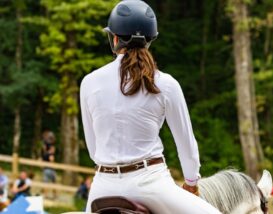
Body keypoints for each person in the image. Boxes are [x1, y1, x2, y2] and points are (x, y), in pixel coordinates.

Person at [80, 1, 220, 213]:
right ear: (149, 41)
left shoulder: (89, 82)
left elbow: (93, 148)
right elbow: (186, 143)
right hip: (150, 185)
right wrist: (191, 181)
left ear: (115, 38)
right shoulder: (165, 83)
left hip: (102, 188)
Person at [41, 130, 57, 198]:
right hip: (50, 169)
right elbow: (51, 160)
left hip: (45, 169)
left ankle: (46, 195)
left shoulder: (44, 153)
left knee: (46, 182)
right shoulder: (50, 153)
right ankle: (53, 195)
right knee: (53, 182)